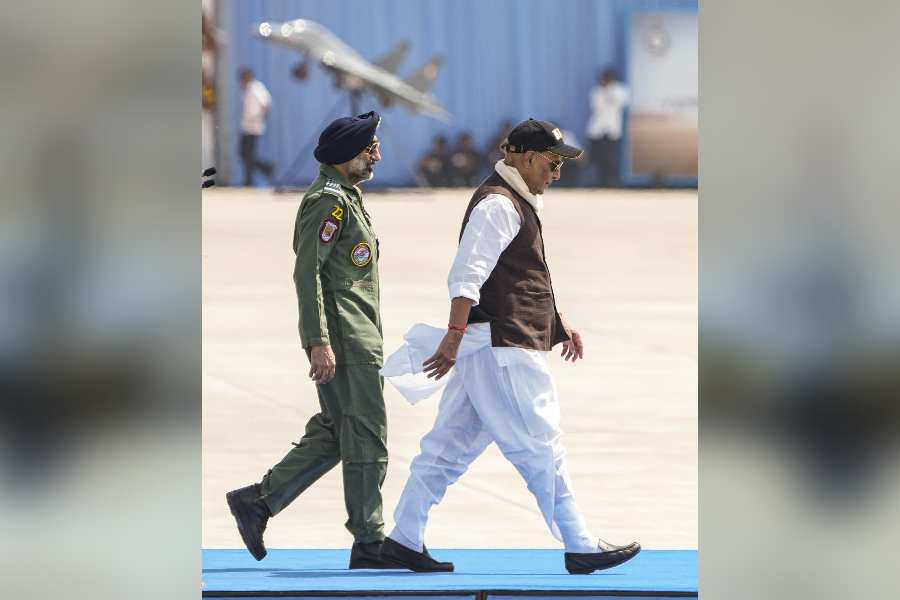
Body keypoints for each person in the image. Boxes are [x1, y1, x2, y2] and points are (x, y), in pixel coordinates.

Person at [378, 119, 641, 574]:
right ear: (523, 156)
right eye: (553, 162)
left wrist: (558, 325)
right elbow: (467, 275)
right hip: (502, 346)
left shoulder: (517, 200)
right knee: (542, 441)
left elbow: (521, 277)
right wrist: (454, 336)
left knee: (448, 446)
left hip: (497, 343)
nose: (557, 173)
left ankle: (404, 536)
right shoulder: (498, 205)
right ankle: (580, 543)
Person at [226, 111, 395, 570]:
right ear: (347, 156)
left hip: (357, 335)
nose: (377, 154)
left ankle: (257, 502)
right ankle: (369, 540)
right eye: (370, 148)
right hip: (344, 340)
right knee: (368, 438)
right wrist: (318, 341)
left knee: (339, 432)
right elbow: (308, 274)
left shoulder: (347, 197)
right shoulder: (329, 202)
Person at [585, 67, 630, 187]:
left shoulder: (620, 90)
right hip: (597, 130)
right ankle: (599, 182)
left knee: (611, 159)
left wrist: (610, 90)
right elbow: (597, 106)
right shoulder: (596, 91)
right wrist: (605, 92)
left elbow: (621, 102)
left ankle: (611, 183)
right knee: (596, 158)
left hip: (612, 130)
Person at [238, 67, 275, 186]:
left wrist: (260, 118)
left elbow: (266, 104)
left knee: (247, 155)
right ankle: (264, 170)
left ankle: (253, 178)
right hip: (247, 126)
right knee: (244, 154)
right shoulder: (247, 89)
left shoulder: (256, 88)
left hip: (254, 127)